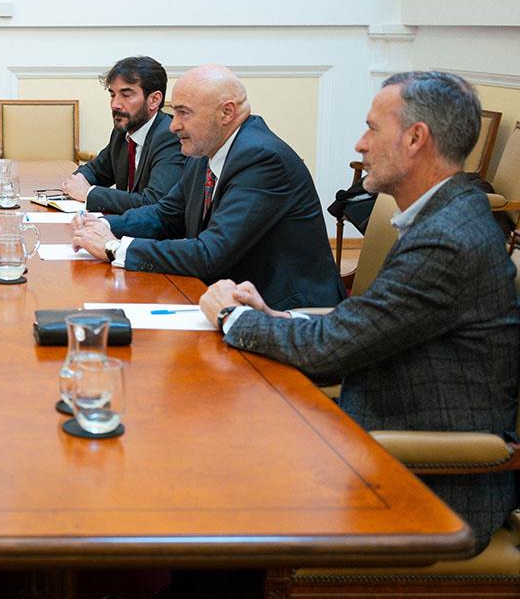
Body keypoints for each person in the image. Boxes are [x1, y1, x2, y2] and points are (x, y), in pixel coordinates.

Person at [200, 71, 519, 555]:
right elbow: (367, 325)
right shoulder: (445, 217)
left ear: (415, 139)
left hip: (430, 486)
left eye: (372, 128)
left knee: (223, 499)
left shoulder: (446, 241)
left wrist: (233, 318)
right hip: (384, 444)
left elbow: (331, 351)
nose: (360, 143)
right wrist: (275, 316)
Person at [71, 64, 343, 309]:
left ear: (226, 112)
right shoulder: (206, 149)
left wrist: (115, 248)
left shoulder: (262, 158)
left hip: (286, 312)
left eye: (183, 113)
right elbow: (166, 215)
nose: (173, 126)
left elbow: (210, 253)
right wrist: (106, 226)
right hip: (224, 295)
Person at [60, 55, 185, 214]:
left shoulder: (169, 136)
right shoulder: (122, 132)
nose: (115, 104)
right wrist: (78, 181)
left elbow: (153, 203)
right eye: (113, 95)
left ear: (154, 100)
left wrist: (88, 193)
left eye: (126, 95)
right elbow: (96, 170)